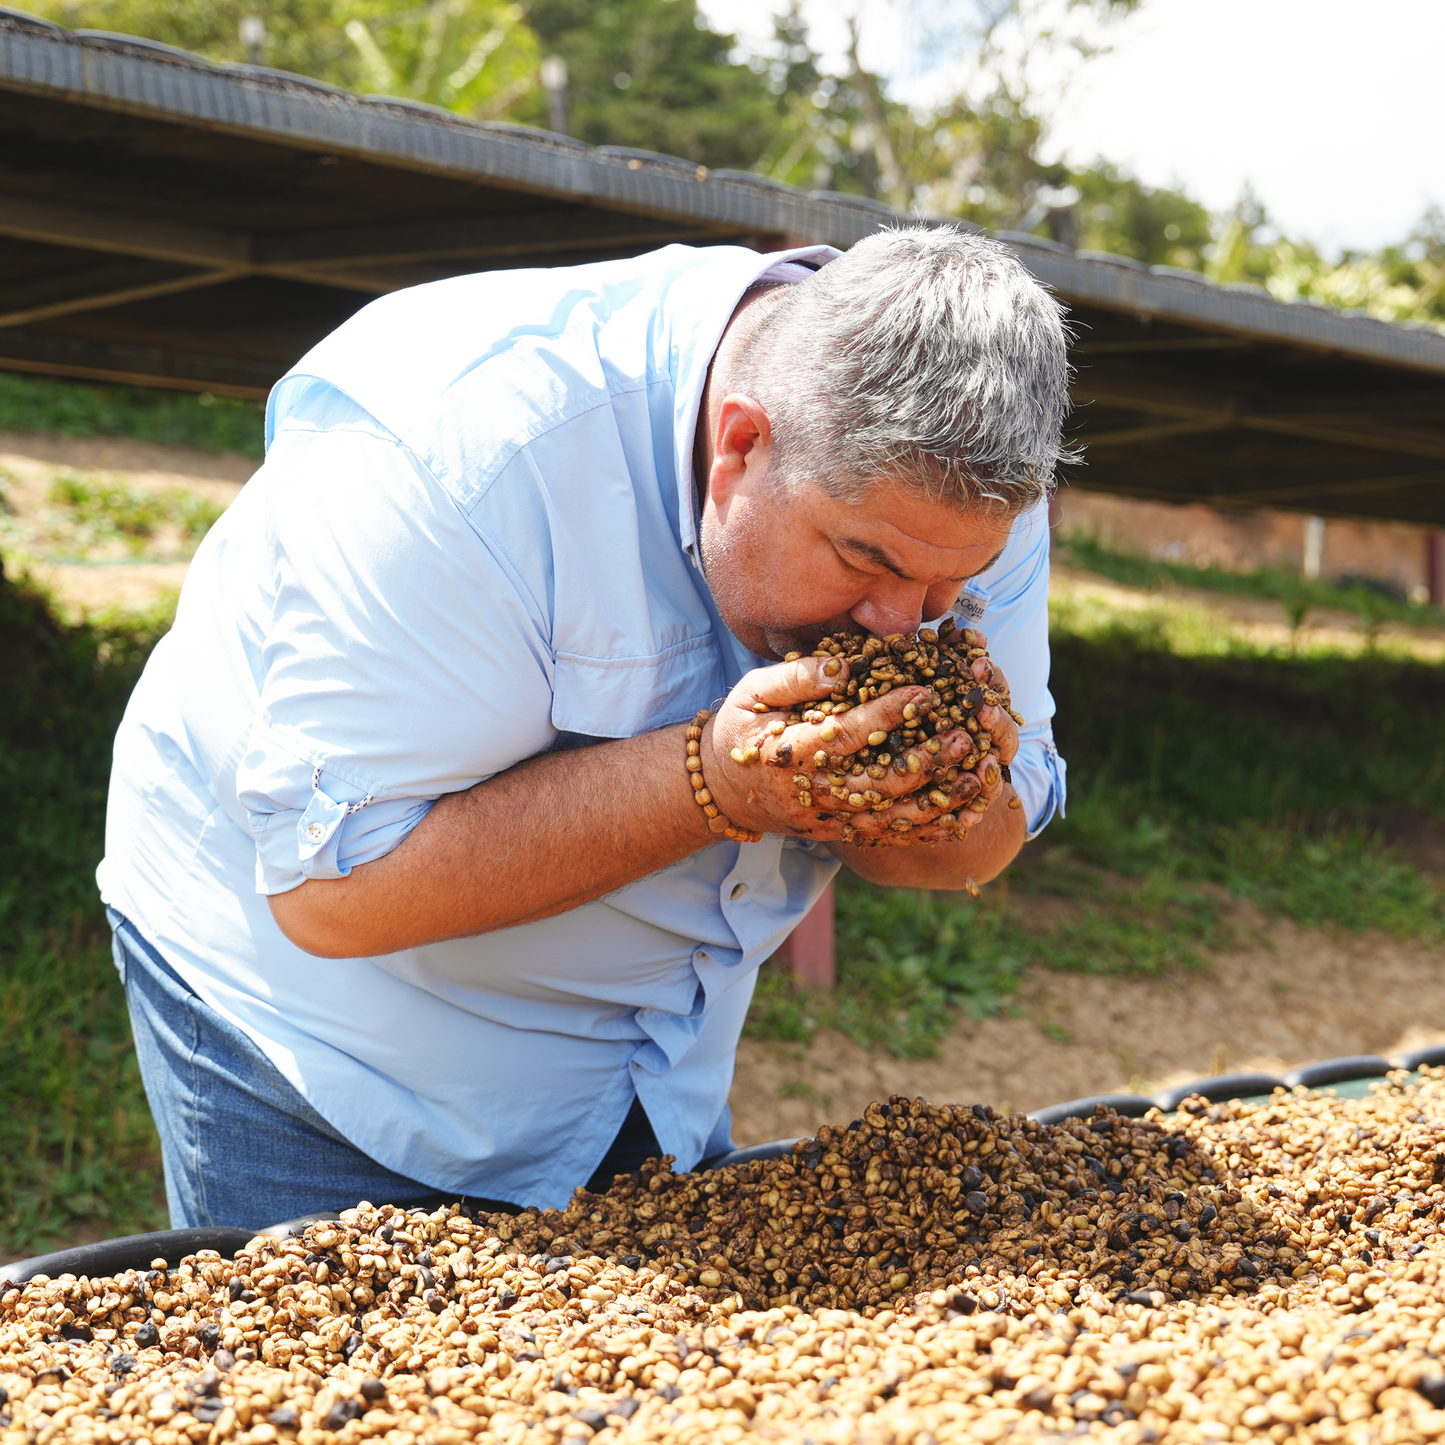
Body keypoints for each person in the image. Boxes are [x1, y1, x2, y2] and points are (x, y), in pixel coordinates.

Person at [99, 225, 1072, 1230]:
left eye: (949, 585)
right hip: (322, 1043)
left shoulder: (956, 484)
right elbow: (333, 893)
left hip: (644, 1065)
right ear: (741, 444)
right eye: (864, 559)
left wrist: (932, 787)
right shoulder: (459, 457)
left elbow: (980, 842)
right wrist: (715, 778)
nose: (901, 620)